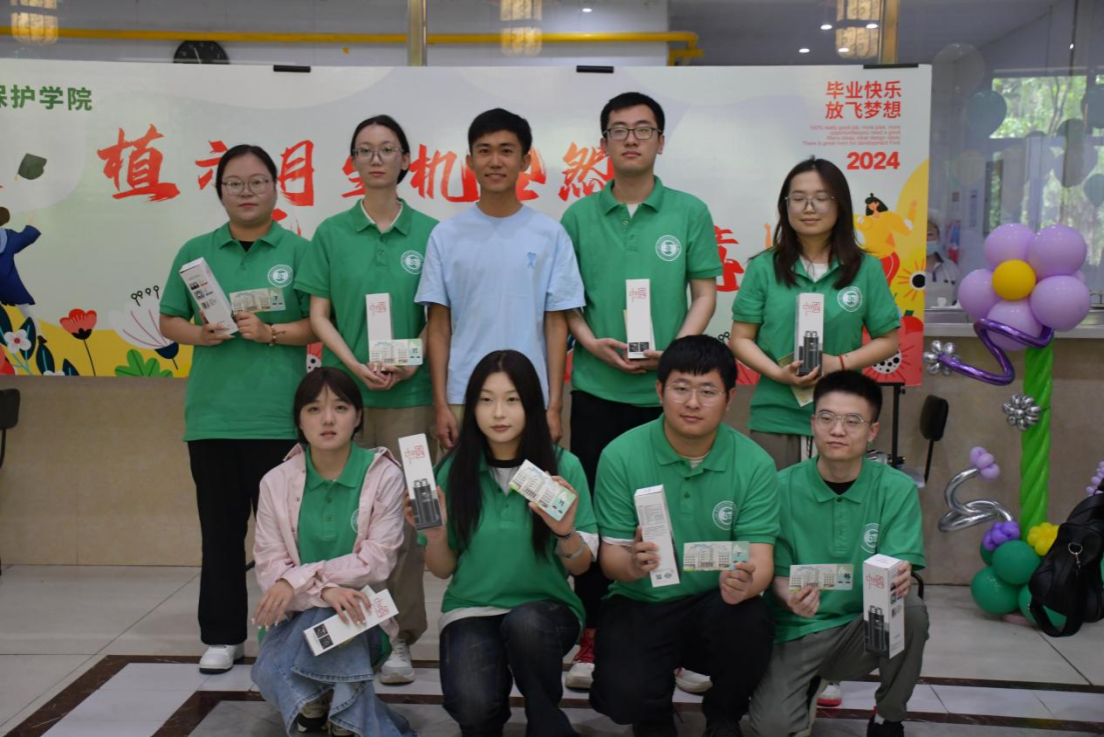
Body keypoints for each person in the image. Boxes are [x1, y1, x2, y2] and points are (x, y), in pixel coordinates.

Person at [560, 91, 722, 691]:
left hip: (668, 397)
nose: (631, 139)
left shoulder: (689, 211)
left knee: (676, 514)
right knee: (598, 519)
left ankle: (679, 640)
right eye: (619, 130)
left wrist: (675, 356)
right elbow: (566, 302)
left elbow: (705, 293)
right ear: (603, 142)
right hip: (597, 388)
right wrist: (588, 341)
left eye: (643, 129)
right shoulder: (578, 217)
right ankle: (593, 634)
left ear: (660, 141)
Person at [159, 144, 316, 674]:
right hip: (214, 419)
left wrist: (271, 332)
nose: (246, 192)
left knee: (286, 539)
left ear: (275, 186)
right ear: (220, 191)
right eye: (235, 183)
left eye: (257, 182)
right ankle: (223, 636)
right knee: (221, 533)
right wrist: (199, 335)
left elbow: (319, 323)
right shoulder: (196, 252)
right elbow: (169, 320)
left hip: (280, 419)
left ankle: (288, 635)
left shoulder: (299, 250)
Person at [296, 114, 438, 685]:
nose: (376, 159)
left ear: (406, 159)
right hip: (344, 400)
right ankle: (348, 626)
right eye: (365, 150)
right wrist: (351, 367)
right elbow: (318, 315)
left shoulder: (431, 232)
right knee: (347, 519)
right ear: (353, 161)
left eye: (387, 149)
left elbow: (439, 315)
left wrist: (416, 357)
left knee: (411, 516)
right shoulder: (331, 233)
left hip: (413, 397)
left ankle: (399, 635)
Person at [590, 335, 779, 737]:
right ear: (660, 391)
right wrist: (632, 563)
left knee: (752, 619)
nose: (693, 403)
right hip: (642, 601)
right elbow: (610, 559)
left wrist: (746, 583)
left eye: (707, 391)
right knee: (623, 697)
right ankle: (653, 715)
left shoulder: (755, 464)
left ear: (729, 398)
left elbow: (761, 560)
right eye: (681, 388)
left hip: (716, 601)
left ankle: (724, 715)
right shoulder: (621, 455)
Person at [416, 350, 597, 737]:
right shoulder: (450, 470)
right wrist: (435, 535)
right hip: (471, 609)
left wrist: (564, 532)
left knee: (525, 623)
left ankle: (545, 719)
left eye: (512, 400)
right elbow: (443, 569)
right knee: (472, 706)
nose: (498, 413)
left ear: (531, 405)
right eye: (486, 400)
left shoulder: (563, 467)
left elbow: (580, 566)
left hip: (546, 612)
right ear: (472, 407)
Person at [749, 371, 928, 737]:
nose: (837, 430)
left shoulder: (895, 489)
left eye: (852, 421)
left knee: (910, 610)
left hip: (862, 628)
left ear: (872, 431)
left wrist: (901, 576)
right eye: (827, 418)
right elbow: (774, 575)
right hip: (800, 629)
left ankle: (888, 716)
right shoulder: (779, 488)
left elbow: (899, 564)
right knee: (771, 728)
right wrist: (788, 595)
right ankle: (810, 683)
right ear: (813, 423)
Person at [251, 367, 413, 737]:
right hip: (291, 620)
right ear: (299, 420)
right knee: (318, 615)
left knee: (336, 614)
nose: (327, 419)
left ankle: (317, 709)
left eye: (340, 408)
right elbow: (269, 566)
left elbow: (376, 562)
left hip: (365, 619)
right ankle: (345, 719)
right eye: (313, 409)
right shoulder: (275, 481)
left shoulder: (384, 475)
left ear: (358, 416)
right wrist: (325, 591)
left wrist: (300, 581)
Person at [415, 108, 584, 451]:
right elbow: (439, 327)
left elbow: (556, 326)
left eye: (506, 151)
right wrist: (441, 404)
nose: (495, 161)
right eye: (484, 150)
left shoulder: (550, 234)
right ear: (470, 161)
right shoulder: (446, 235)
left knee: (530, 486)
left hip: (530, 396)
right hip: (463, 395)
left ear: (525, 161)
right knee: (462, 484)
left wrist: (554, 406)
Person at [729, 157, 901, 472]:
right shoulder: (764, 268)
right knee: (774, 501)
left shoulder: (866, 269)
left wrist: (840, 363)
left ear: (840, 206)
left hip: (842, 421)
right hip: (776, 415)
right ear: (785, 206)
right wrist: (777, 373)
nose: (809, 208)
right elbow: (740, 339)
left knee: (838, 502)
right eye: (798, 198)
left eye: (821, 198)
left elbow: (888, 341)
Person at [924, 211, 960, 308]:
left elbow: (958, 300)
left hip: (945, 317)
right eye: (921, 235)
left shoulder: (951, 268)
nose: (926, 239)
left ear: (938, 238)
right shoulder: (906, 268)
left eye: (930, 234)